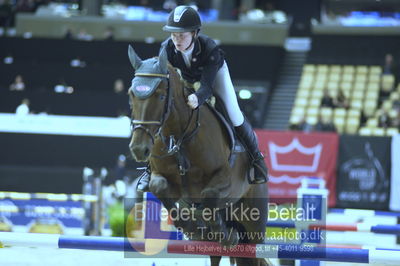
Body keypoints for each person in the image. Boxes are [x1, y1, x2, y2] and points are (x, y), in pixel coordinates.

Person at [136, 5, 268, 192]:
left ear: (195, 33)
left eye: (182, 35)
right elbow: (166, 80)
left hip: (214, 77)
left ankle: (257, 159)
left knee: (233, 112)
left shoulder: (209, 49)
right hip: (186, 79)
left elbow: (206, 87)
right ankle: (150, 169)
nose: (177, 40)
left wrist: (196, 99)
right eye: (174, 35)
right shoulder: (166, 48)